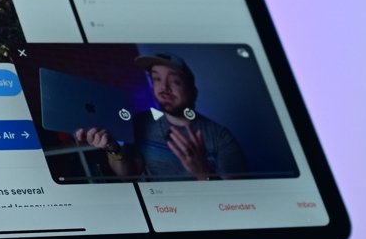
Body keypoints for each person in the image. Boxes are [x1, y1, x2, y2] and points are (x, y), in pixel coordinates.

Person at [74, 53, 248, 181]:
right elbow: (129, 174)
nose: (164, 87)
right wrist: (113, 149)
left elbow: (237, 198)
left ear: (193, 91)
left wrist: (203, 172)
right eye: (156, 79)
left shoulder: (220, 136)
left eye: (175, 81)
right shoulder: (141, 123)